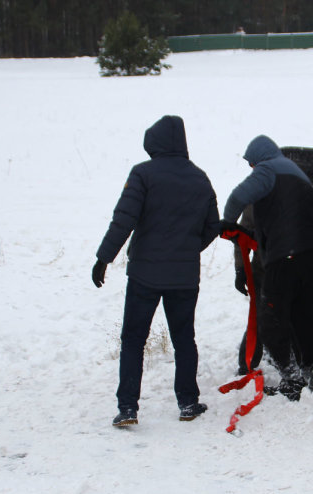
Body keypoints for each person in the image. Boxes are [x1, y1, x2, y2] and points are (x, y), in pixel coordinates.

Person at [93, 115, 219, 427]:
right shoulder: (200, 178)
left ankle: (128, 408)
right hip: (184, 277)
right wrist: (187, 249)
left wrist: (104, 258)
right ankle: (188, 402)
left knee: (134, 340)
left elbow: (124, 219)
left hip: (144, 275)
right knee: (184, 339)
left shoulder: (143, 174)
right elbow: (213, 226)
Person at [221, 135, 313, 401]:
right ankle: (311, 368)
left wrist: (226, 221)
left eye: (251, 165)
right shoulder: (300, 175)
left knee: (269, 320)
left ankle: (291, 376)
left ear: (258, 160)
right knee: (303, 315)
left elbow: (238, 196)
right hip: (309, 257)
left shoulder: (267, 171)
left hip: (283, 258)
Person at [233, 199, 313, 375]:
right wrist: (241, 269)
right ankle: (249, 365)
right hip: (276, 270)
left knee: (296, 318)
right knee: (272, 318)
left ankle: (305, 364)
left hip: (293, 270)